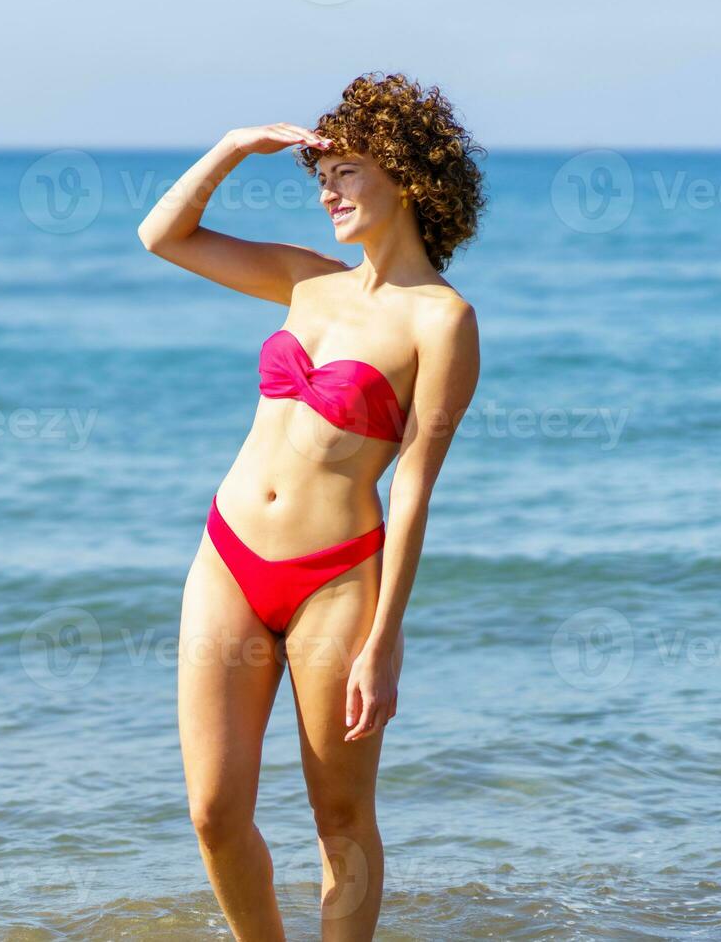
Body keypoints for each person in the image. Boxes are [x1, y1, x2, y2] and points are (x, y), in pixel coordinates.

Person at [137, 72, 485, 940]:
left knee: (340, 823)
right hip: (227, 560)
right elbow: (161, 236)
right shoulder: (306, 282)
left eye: (348, 172)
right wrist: (231, 146)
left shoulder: (442, 322)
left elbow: (412, 485)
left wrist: (384, 638)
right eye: (322, 175)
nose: (327, 191)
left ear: (406, 175)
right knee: (214, 813)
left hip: (335, 582)